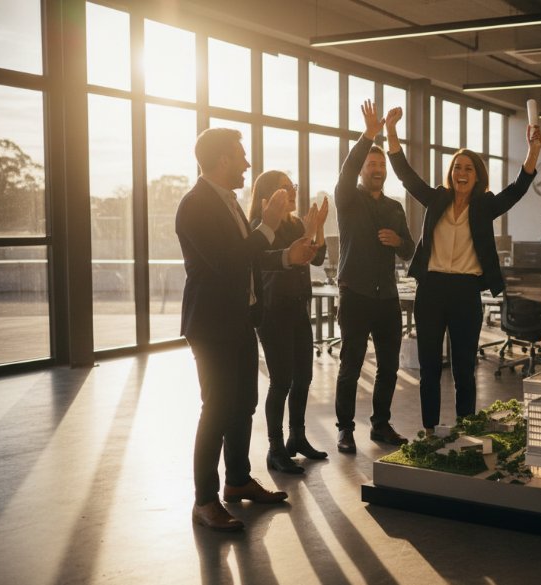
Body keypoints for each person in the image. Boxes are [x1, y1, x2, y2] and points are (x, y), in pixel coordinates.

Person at [176, 128, 316, 531]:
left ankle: (236, 482)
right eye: (240, 156)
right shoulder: (195, 205)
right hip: (211, 324)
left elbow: (249, 258)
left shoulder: (229, 203)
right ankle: (204, 500)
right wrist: (269, 224)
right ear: (221, 160)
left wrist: (287, 256)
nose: (247, 164)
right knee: (216, 410)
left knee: (243, 406)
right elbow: (228, 260)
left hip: (240, 319)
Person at [385, 106, 541, 434]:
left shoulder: (485, 206)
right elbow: (406, 176)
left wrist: (534, 150)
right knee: (429, 368)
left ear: (477, 174)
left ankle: (466, 430)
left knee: (464, 369)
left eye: (468, 167)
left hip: (466, 292)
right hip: (431, 289)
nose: (461, 172)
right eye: (457, 166)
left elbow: (516, 189)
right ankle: (429, 430)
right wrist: (390, 131)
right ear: (451, 172)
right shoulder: (436, 199)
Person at [332, 100, 416, 454]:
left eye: (382, 165)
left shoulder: (395, 207)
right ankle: (345, 429)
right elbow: (347, 169)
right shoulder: (348, 198)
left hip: (386, 299)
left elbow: (410, 250)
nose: (378, 168)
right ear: (363, 169)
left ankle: (380, 425)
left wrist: (399, 242)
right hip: (355, 295)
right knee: (350, 366)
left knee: (388, 368)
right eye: (372, 164)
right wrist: (368, 135)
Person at [246, 171, 330, 473]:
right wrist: (307, 237)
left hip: (297, 308)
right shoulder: (260, 228)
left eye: (292, 186)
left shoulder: (295, 223)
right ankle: (275, 448)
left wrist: (317, 229)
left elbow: (315, 259)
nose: (291, 191)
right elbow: (272, 260)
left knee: (303, 378)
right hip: (272, 312)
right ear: (268, 196)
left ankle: (297, 438)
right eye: (284, 188)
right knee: (281, 380)